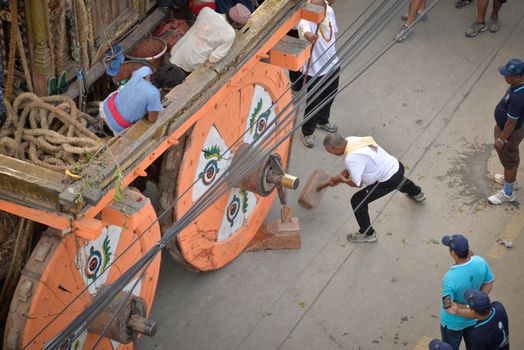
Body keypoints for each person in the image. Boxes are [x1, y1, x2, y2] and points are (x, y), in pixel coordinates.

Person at [323, 133, 425, 243]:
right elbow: (360, 161)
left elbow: (357, 184)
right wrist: (346, 172)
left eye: (330, 151)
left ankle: (368, 234)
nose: (331, 154)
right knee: (398, 179)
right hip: (396, 166)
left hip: (387, 180)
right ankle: (417, 193)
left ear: (336, 148)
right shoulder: (351, 140)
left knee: (357, 201)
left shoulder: (351, 158)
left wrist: (343, 180)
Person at [439, 234, 494, 350]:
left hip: (453, 324)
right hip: (474, 319)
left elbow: (447, 305)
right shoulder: (480, 261)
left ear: (453, 253)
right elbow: (489, 281)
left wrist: (464, 307)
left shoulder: (449, 278)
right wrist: (478, 301)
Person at [298, 0, 339, 148]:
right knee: (313, 102)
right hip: (314, 70)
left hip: (333, 64)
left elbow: (333, 33)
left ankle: (322, 120)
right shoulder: (307, 16)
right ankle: (308, 132)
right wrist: (307, 34)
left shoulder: (328, 11)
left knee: (330, 95)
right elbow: (303, 27)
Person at [100, 64, 186, 135]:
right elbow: (152, 119)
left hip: (106, 105)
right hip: (116, 125)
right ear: (167, 86)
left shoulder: (145, 70)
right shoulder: (154, 94)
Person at [169, 4, 251, 73]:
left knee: (169, 71)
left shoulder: (206, 11)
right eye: (241, 26)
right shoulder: (230, 33)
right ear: (235, 24)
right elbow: (214, 57)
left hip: (178, 50)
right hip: (192, 63)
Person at [488, 58, 524, 205]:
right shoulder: (516, 86)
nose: (505, 76)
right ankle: (511, 181)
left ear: (518, 77)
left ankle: (508, 192)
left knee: (510, 163)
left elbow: (511, 122)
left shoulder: (518, 96)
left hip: (509, 134)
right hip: (508, 130)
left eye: (508, 75)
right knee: (510, 161)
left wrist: (501, 139)